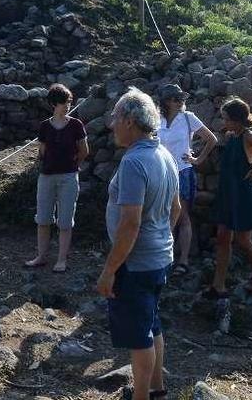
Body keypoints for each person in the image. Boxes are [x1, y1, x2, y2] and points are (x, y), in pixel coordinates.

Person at [96, 87, 180, 400]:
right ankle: (157, 390)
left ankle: (142, 396)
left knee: (139, 335)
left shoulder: (134, 163)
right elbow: (176, 209)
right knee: (152, 324)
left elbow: (130, 223)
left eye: (115, 117)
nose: (111, 124)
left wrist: (109, 270)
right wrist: (160, 239)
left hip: (135, 263)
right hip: (159, 258)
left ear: (130, 121)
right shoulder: (164, 155)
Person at [204, 97, 252, 299]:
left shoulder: (249, 137)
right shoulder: (232, 136)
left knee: (243, 239)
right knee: (223, 237)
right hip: (227, 193)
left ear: (237, 119)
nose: (224, 122)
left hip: (243, 194)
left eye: (226, 118)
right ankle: (218, 285)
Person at [25, 83, 89, 273]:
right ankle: (41, 256)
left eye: (69, 101)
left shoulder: (76, 125)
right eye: (63, 101)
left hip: (68, 177)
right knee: (43, 219)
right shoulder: (45, 126)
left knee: (65, 220)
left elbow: (84, 150)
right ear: (54, 103)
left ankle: (61, 260)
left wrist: (74, 165)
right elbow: (42, 151)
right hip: (46, 177)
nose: (67, 105)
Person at [157, 83, 217, 276]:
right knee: (162, 216)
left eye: (181, 98)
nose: (181, 101)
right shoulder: (157, 119)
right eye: (176, 98)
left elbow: (212, 139)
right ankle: (165, 258)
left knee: (181, 216)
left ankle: (183, 260)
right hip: (161, 172)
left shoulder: (188, 118)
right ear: (168, 101)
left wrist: (197, 159)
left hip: (182, 172)